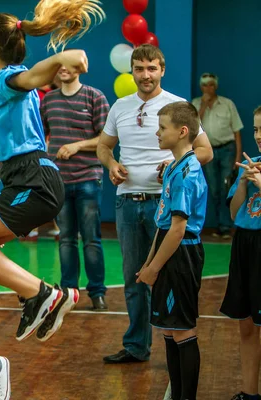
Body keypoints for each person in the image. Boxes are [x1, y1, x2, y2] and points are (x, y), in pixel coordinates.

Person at [0, 1, 99, 352]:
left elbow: (31, 76)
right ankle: (35, 297)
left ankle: (41, 294)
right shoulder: (1, 76)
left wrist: (63, 59)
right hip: (25, 181)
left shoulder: (4, 81)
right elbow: (12, 72)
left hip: (32, 181)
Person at [96, 44, 213, 365]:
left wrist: (175, 164)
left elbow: (205, 151)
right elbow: (104, 147)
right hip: (127, 205)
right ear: (130, 71)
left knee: (166, 276)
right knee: (135, 278)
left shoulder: (177, 106)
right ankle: (136, 346)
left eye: (151, 68)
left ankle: (177, 344)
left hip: (166, 208)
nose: (145, 75)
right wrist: (110, 165)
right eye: (139, 68)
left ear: (162, 70)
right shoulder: (119, 106)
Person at [136, 101, 207, 400]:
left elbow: (178, 229)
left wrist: (155, 267)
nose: (157, 132)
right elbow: (163, 225)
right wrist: (149, 263)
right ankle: (176, 392)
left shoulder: (188, 172)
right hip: (167, 250)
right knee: (167, 328)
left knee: (181, 330)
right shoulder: (172, 169)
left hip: (182, 255)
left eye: (162, 128)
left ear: (182, 132)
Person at [40, 64, 110, 310]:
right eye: (59, 65)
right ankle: (69, 292)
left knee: (91, 239)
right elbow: (41, 136)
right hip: (59, 181)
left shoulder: (95, 96)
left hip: (88, 178)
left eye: (70, 65)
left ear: (80, 68)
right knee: (66, 239)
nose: (64, 69)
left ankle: (97, 292)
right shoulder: (48, 100)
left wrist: (77, 146)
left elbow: (106, 138)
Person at [219, 106, 261, 400]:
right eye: (257, 129)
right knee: (246, 325)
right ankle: (250, 392)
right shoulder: (252, 165)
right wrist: (245, 183)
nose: (259, 136)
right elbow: (235, 213)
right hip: (245, 245)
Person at [192, 73, 244, 239]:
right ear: (201, 87)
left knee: (227, 187)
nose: (208, 88)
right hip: (208, 151)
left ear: (216, 86)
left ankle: (228, 226)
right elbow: (192, 127)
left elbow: (237, 132)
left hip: (227, 149)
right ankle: (221, 226)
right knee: (214, 189)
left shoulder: (227, 104)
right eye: (205, 85)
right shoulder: (195, 104)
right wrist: (203, 107)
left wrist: (237, 157)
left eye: (211, 85)